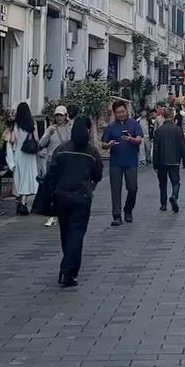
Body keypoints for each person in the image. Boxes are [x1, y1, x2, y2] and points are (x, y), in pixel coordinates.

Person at [46, 115, 103, 287]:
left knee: (66, 234)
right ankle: (68, 271)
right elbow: (98, 174)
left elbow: (52, 172)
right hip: (82, 198)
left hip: (62, 197)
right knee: (76, 235)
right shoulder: (91, 152)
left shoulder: (62, 149)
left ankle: (68, 268)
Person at [101, 100, 143, 226]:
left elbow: (139, 140)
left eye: (122, 111)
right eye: (118, 112)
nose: (120, 114)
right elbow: (103, 144)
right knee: (115, 189)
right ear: (114, 114)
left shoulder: (134, 124)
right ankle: (117, 215)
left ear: (126, 111)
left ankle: (128, 209)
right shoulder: (111, 127)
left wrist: (131, 139)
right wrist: (109, 144)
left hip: (131, 162)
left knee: (132, 188)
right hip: (115, 162)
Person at [38, 105, 72, 226]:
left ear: (65, 116)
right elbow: (41, 143)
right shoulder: (51, 128)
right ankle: (53, 214)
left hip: (66, 162)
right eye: (57, 115)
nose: (59, 118)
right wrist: (49, 133)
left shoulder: (70, 127)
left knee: (65, 188)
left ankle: (65, 212)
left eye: (61, 115)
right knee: (52, 189)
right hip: (52, 161)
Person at [152, 108, 185, 212]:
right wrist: (184, 159)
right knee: (176, 182)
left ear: (163, 116)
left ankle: (163, 204)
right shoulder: (178, 129)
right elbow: (183, 145)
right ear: (172, 116)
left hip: (162, 161)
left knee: (162, 183)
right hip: (174, 160)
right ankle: (174, 196)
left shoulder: (159, 130)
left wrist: (155, 163)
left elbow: (156, 148)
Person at [7, 101, 39, 215]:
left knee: (19, 177)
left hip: (18, 154)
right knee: (27, 177)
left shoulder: (15, 125)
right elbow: (36, 138)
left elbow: (12, 140)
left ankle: (20, 201)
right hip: (29, 155)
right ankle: (23, 203)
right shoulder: (32, 124)